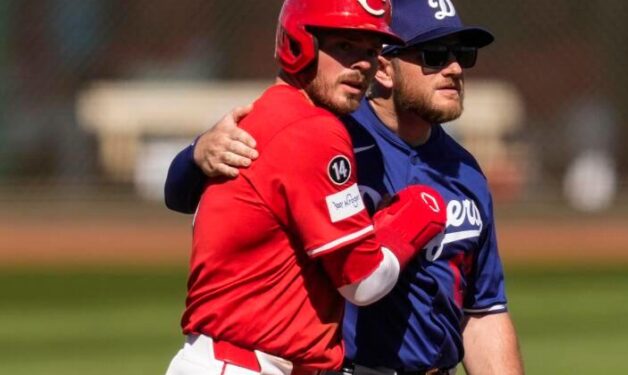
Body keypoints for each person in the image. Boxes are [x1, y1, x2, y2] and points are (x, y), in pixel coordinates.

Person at [166, 0, 524, 374]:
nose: (453, 68)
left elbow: (483, 311)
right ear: (386, 69)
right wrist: (197, 153)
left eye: (463, 54)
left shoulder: (465, 172)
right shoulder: (325, 133)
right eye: (433, 55)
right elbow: (180, 194)